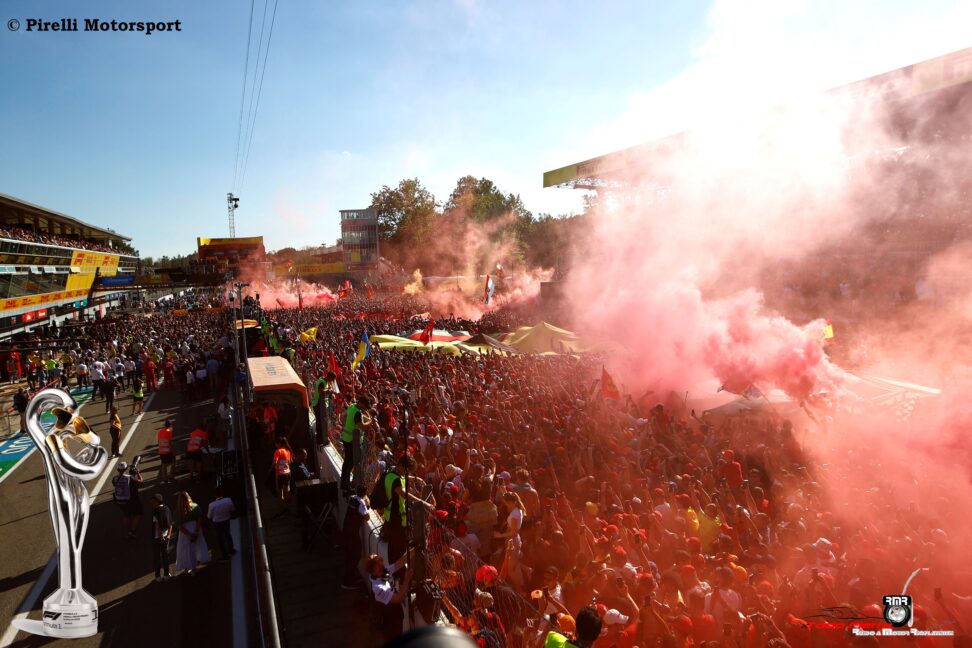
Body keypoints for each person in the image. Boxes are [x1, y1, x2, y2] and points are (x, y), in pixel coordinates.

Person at [366, 550, 414, 641]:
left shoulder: (383, 571)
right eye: (377, 563)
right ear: (373, 570)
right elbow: (399, 598)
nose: (381, 563)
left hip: (395, 612)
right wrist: (407, 579)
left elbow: (401, 562)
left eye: (380, 559)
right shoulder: (378, 587)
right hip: (389, 617)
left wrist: (414, 549)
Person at [175, 491, 209, 575]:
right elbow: (199, 519)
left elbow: (180, 526)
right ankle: (194, 568)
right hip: (195, 528)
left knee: (185, 550)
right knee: (197, 547)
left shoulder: (178, 511)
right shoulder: (195, 506)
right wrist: (196, 531)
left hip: (185, 533)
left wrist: (190, 534)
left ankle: (186, 567)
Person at [342, 485, 370, 589]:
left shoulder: (352, 498)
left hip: (346, 530)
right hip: (352, 534)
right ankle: (348, 583)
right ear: (365, 493)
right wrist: (366, 502)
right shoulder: (361, 503)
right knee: (355, 556)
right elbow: (367, 517)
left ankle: (349, 577)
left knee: (349, 556)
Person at [112, 461, 143, 538]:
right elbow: (141, 481)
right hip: (128, 500)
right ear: (126, 469)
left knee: (126, 515)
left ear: (118, 469)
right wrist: (138, 473)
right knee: (138, 514)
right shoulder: (130, 478)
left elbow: (115, 484)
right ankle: (132, 531)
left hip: (119, 501)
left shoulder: (115, 478)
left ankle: (126, 531)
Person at [207, 486, 236, 561]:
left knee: (220, 539)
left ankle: (225, 556)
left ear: (215, 495)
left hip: (217, 523)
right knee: (228, 535)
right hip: (226, 520)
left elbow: (209, 516)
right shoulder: (228, 500)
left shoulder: (212, 505)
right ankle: (231, 550)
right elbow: (232, 509)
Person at [151, 493, 173, 582]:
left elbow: (157, 525)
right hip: (166, 536)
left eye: (153, 502)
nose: (152, 504)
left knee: (157, 557)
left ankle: (158, 576)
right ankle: (166, 574)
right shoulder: (167, 509)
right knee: (165, 555)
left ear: (157, 501)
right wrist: (168, 535)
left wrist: (160, 536)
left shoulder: (156, 511)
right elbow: (170, 523)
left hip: (157, 537)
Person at [272, 437, 293, 510]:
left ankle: (281, 508)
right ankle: (288, 506)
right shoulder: (288, 451)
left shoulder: (278, 451)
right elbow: (290, 462)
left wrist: (273, 468)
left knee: (280, 492)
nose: (275, 445)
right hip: (288, 473)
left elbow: (275, 462)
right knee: (287, 490)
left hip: (280, 474)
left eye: (275, 443)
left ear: (278, 444)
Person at [157, 419, 175, 484]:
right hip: (167, 450)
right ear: (170, 425)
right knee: (173, 461)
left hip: (161, 450)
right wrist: (172, 451)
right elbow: (170, 443)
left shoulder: (160, 431)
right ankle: (171, 476)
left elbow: (158, 441)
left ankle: (165, 479)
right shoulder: (169, 432)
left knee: (164, 464)